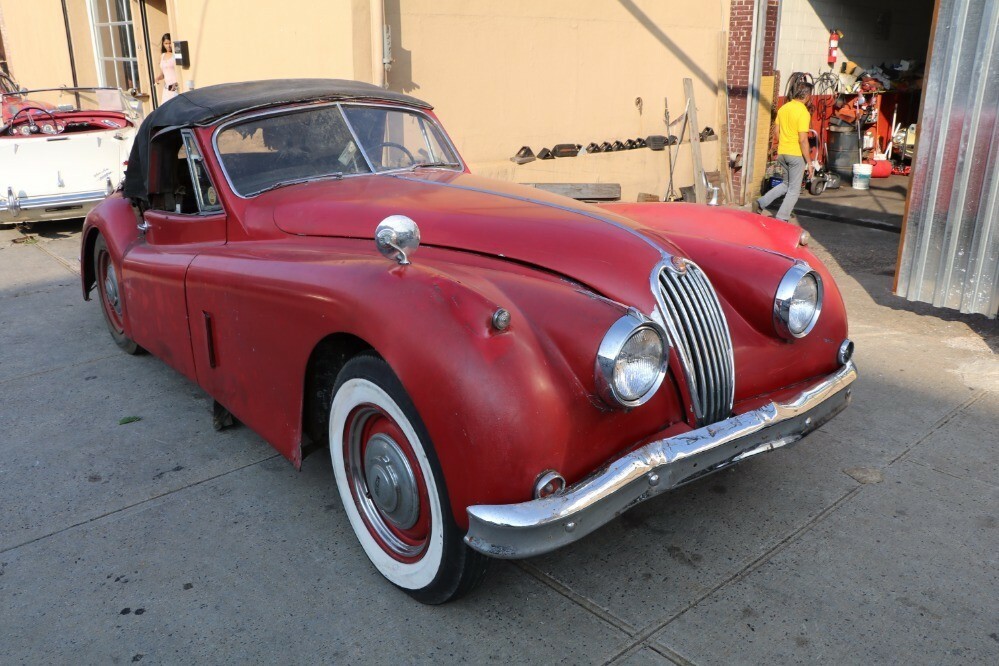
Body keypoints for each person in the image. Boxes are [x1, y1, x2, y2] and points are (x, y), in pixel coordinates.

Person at [755, 81, 814, 221]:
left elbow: (776, 131)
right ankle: (782, 218)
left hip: (782, 153)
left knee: (786, 184)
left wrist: (783, 144)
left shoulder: (784, 108)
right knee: (794, 190)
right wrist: (809, 162)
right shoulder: (803, 112)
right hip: (795, 155)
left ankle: (761, 203)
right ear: (807, 96)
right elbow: (803, 140)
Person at [155, 33, 179, 104]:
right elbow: (163, 74)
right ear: (163, 44)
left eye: (170, 43)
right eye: (166, 43)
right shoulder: (162, 56)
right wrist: (158, 78)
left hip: (175, 87)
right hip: (166, 89)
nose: (168, 46)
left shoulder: (175, 55)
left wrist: (177, 83)